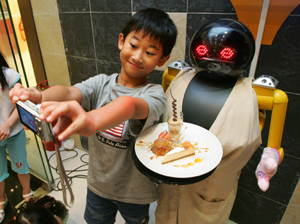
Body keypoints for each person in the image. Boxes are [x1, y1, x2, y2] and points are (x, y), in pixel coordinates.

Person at [10, 8, 177, 224]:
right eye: (133, 45)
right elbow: (69, 92)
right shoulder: (101, 83)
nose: (137, 56)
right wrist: (39, 96)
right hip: (98, 185)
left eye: (150, 52)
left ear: (162, 59)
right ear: (121, 41)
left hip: (136, 192)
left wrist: (92, 120)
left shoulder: (154, 94)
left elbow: (130, 105)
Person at [0, 52, 33, 223]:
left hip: (14, 134)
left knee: (21, 166)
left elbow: (20, 102)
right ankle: (1, 202)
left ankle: (27, 194)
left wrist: (7, 125)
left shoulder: (8, 75)